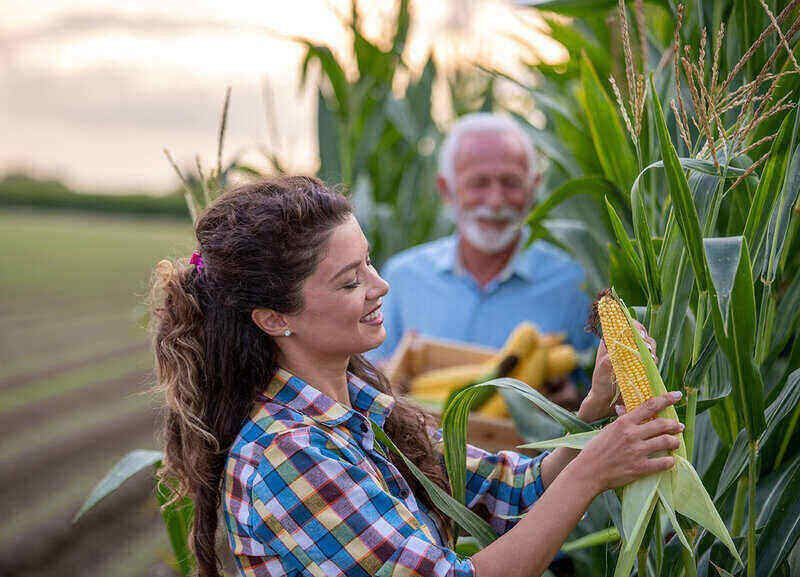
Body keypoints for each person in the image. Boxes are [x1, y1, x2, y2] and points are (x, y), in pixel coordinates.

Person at [149, 176, 684, 577]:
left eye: (370, 263)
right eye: (349, 282)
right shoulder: (290, 454)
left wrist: (594, 408)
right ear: (273, 317)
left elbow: (513, 490)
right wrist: (591, 472)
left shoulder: (362, 410)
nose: (380, 287)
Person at [370, 113, 596, 365]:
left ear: (533, 187)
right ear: (446, 190)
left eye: (511, 183)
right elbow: (368, 381)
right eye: (478, 184)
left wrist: (574, 396)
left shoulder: (575, 284)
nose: (496, 201)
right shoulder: (402, 279)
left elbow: (598, 387)